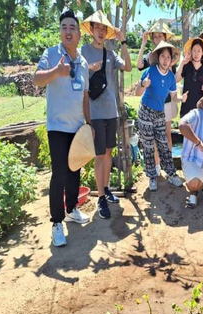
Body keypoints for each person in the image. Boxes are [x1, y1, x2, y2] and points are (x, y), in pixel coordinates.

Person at [33, 10, 91, 247]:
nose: (68, 31)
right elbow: (37, 79)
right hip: (57, 127)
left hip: (77, 127)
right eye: (64, 27)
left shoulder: (83, 62)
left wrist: (88, 124)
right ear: (61, 31)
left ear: (78, 34)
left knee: (74, 171)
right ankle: (57, 222)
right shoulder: (51, 54)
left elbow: (85, 97)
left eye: (72, 28)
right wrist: (56, 72)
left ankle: (71, 210)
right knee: (58, 175)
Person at [80, 11, 132, 219]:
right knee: (99, 156)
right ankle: (100, 197)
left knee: (109, 153)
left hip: (111, 112)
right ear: (91, 30)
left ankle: (106, 188)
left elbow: (128, 67)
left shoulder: (110, 53)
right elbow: (75, 77)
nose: (101, 31)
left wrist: (124, 42)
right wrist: (89, 68)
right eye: (97, 28)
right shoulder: (83, 52)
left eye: (104, 29)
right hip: (95, 113)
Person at [136, 41, 187, 191]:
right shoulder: (150, 71)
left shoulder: (171, 77)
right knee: (148, 145)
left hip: (159, 112)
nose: (165, 59)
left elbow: (173, 96)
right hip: (145, 111)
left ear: (172, 60)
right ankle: (152, 176)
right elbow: (137, 93)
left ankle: (171, 174)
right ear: (158, 57)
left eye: (168, 57)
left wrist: (181, 99)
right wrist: (143, 85)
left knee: (163, 144)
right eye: (163, 56)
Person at [137, 21, 177, 174]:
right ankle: (157, 165)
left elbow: (170, 79)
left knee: (167, 133)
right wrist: (143, 43)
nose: (158, 39)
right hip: (151, 103)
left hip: (166, 102)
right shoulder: (152, 58)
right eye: (155, 37)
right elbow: (139, 64)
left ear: (166, 37)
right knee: (153, 137)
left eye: (161, 36)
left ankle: (169, 164)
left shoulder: (169, 56)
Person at [176, 37, 203, 118]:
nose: (196, 53)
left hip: (199, 110)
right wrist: (182, 63)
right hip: (186, 109)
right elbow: (176, 79)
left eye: (199, 51)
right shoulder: (186, 66)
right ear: (191, 52)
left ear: (202, 53)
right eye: (194, 50)